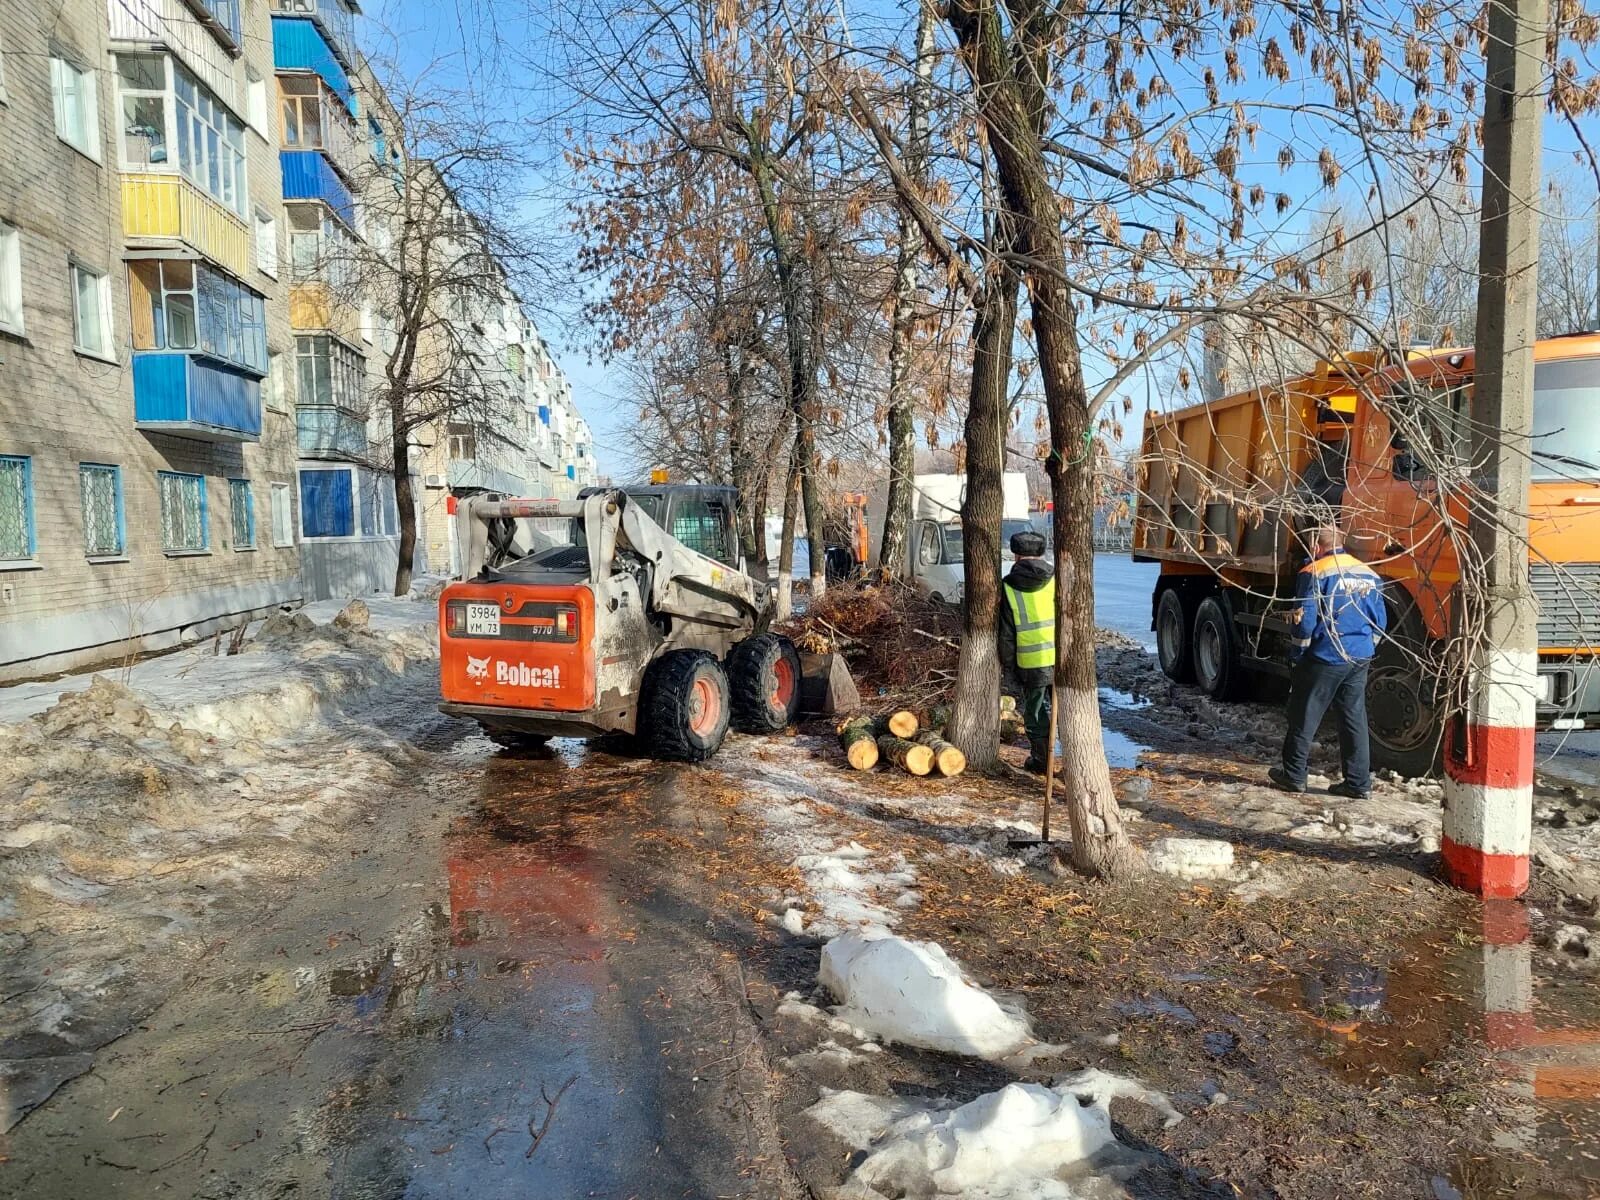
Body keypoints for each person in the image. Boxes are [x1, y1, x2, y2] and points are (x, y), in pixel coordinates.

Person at [1269, 526, 1388, 799]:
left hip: (1326, 655)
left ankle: (1294, 775)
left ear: (1315, 547)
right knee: (1353, 718)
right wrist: (1367, 648)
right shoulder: (1368, 573)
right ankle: (1358, 784)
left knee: (1304, 713)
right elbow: (1380, 621)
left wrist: (1298, 653)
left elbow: (1305, 619)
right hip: (1359, 656)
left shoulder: (1314, 572)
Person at [998, 530, 1055, 773]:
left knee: (1035, 711)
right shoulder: (1056, 578)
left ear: (1016, 556)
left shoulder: (1009, 586)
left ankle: (1042, 761)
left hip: (1031, 661)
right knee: (1066, 708)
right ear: (1041, 554)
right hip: (1061, 657)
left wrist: (1008, 666)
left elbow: (1007, 634)